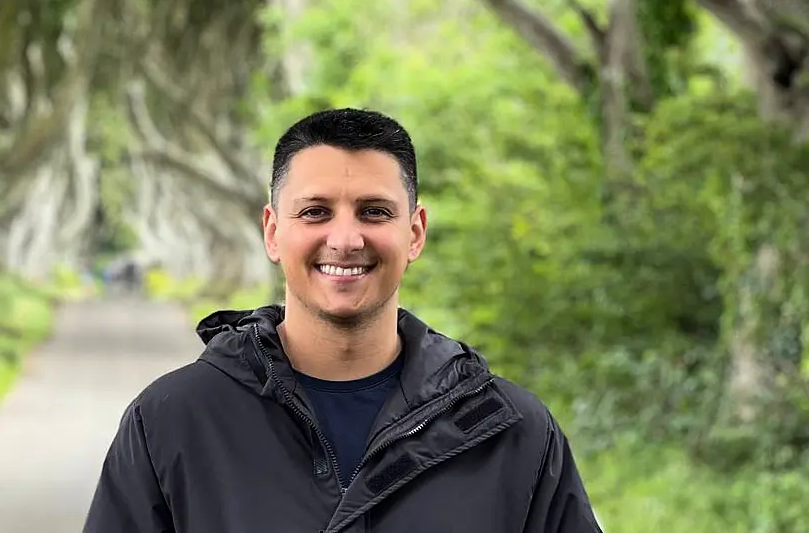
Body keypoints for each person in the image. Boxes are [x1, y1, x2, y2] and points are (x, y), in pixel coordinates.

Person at [82, 108, 603, 532]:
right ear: (272, 231)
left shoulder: (510, 433)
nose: (346, 239)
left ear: (415, 232)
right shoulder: (173, 423)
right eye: (315, 212)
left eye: (374, 211)